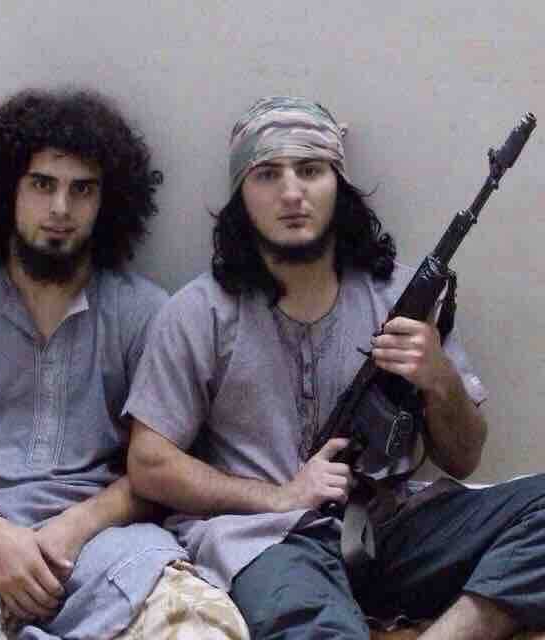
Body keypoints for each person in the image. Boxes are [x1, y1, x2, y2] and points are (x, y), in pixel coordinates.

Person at [125, 96, 545, 640]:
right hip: (269, 539)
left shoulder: (397, 296)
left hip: (390, 528)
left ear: (339, 186)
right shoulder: (199, 312)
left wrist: (439, 377)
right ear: (240, 196)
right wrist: (281, 496)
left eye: (310, 169)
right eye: (267, 174)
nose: (291, 192)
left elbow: (463, 459)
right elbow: (149, 464)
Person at [0, 88, 248, 640]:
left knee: (203, 626)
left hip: (106, 543)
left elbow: (157, 467)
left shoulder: (146, 312)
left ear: (107, 202)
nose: (61, 209)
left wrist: (72, 528)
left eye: (82, 189)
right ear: (7, 190)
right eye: (43, 184)